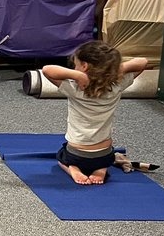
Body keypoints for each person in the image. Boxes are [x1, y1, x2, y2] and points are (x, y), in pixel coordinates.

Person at [41, 40, 149, 185]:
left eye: (76, 65)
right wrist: (116, 70)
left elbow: (47, 70)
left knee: (61, 156)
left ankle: (72, 168)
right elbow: (143, 62)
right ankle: (101, 168)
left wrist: (77, 76)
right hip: (104, 155)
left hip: (76, 155)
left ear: (84, 66)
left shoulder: (75, 88)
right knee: (106, 154)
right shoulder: (117, 86)